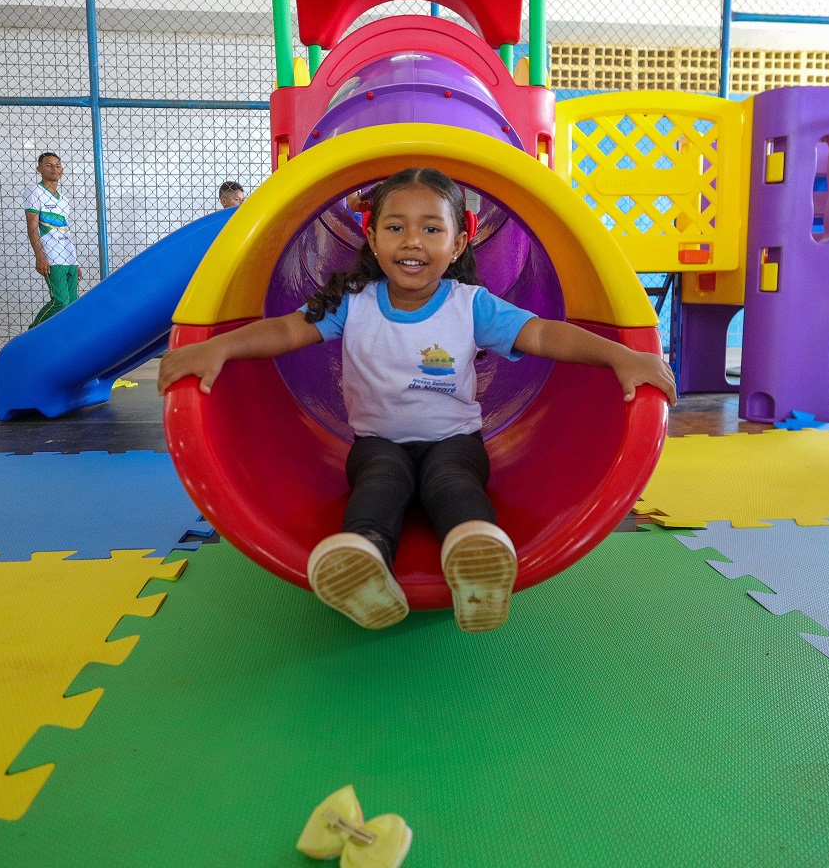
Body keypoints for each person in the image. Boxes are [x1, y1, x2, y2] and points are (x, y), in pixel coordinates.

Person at [157, 168, 676, 634]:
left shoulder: (470, 305)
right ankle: (363, 565)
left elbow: (544, 336)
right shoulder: (351, 304)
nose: (413, 241)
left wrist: (621, 358)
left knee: (452, 480)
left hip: (455, 439)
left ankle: (478, 557)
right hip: (376, 441)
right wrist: (217, 347)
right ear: (372, 236)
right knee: (381, 481)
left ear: (458, 243)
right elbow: (285, 331)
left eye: (432, 228)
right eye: (396, 226)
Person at [23, 152, 79, 327]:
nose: (54, 168)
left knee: (71, 306)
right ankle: (31, 335)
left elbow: (64, 231)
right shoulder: (34, 192)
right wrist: (40, 256)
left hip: (68, 258)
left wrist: (74, 261)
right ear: (39, 168)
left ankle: (61, 343)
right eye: (49, 165)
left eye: (57, 165)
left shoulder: (63, 199)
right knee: (60, 301)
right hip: (52, 257)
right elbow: (32, 227)